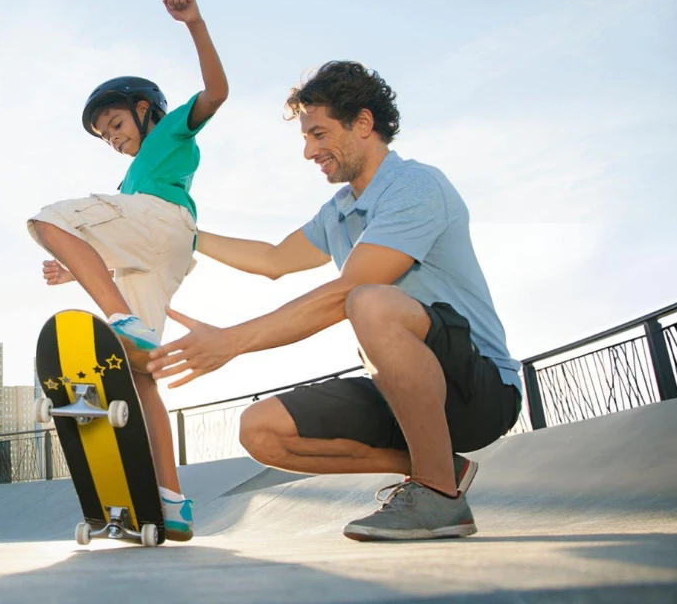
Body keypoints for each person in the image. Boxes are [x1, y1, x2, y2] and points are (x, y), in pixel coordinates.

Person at [144, 61, 523, 542]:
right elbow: (274, 258)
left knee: (368, 301)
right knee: (260, 430)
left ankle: (436, 495)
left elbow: (348, 293)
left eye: (319, 134)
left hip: (478, 387)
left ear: (363, 124)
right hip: (400, 388)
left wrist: (231, 342)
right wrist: (184, 234)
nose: (309, 151)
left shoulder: (416, 186)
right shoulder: (339, 210)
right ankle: (441, 467)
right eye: (306, 137)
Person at [27, 0, 229, 542]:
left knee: (47, 221)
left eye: (116, 125)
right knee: (140, 375)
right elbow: (125, 245)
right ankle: (173, 502)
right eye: (105, 136)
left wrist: (195, 23)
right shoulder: (128, 185)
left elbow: (217, 91)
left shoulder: (169, 130)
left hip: (165, 221)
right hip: (163, 253)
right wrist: (73, 269)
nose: (114, 139)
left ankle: (120, 320)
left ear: (144, 109)